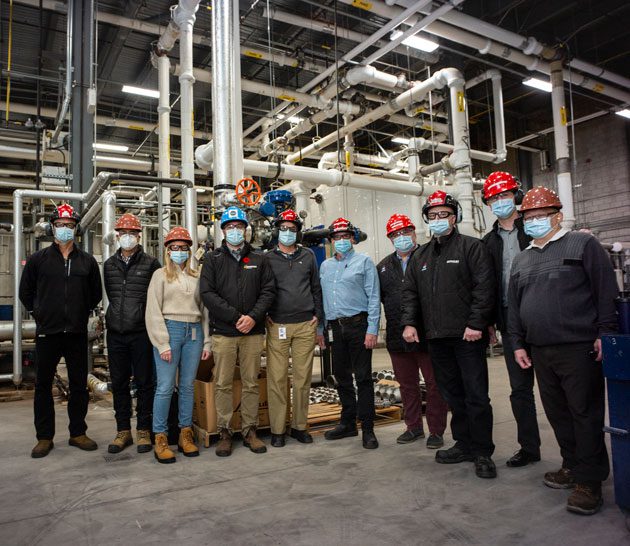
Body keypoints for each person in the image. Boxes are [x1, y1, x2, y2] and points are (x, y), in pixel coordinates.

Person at [508, 186, 618, 515]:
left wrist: (606, 333)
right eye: (528, 217)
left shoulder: (583, 244)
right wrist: (517, 343)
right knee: (558, 414)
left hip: (579, 346)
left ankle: (590, 482)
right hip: (540, 350)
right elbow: (514, 307)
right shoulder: (522, 258)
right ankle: (572, 466)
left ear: (557, 216)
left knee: (584, 413)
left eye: (541, 216)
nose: (534, 221)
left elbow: (605, 290)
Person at [401, 191, 497, 479]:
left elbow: (484, 288)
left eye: (443, 214)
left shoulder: (472, 248)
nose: (438, 219)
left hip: (467, 336)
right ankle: (464, 444)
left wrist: (476, 324)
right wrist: (409, 323)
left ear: (454, 217)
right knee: (452, 394)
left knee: (476, 395)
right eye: (433, 216)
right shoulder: (421, 256)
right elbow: (410, 294)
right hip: (437, 338)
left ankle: (482, 452)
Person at [19, 204, 102, 458]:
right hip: (48, 333)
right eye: (60, 225)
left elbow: (95, 294)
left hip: (76, 333)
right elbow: (26, 293)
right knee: (43, 385)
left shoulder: (86, 261)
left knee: (78, 384)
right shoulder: (38, 260)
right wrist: (41, 314)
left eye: (69, 225)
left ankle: (78, 432)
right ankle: (44, 437)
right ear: (52, 228)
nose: (64, 229)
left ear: (75, 229)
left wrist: (78, 314)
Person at [200, 206, 275, 457]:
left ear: (246, 230)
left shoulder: (258, 259)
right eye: (230, 227)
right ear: (223, 231)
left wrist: (253, 318)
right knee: (222, 383)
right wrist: (235, 318)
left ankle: (250, 430)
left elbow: (268, 291)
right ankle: (224, 432)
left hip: (252, 334)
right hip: (223, 332)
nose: (235, 231)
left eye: (239, 227)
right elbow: (207, 294)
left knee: (251, 383)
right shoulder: (213, 259)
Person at [481, 172, 541, 468]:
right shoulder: (487, 241)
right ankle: (529, 448)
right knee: (520, 390)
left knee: (557, 389)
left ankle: (577, 454)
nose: (500, 202)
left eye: (504, 195)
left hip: (542, 315)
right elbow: (486, 284)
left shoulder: (533, 229)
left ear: (516, 196)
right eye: (494, 198)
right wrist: (490, 322)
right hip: (509, 321)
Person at [377, 214, 448, 449]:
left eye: (405, 232)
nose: (401, 238)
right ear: (390, 238)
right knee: (406, 385)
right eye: (396, 234)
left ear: (414, 232)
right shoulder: (384, 266)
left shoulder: (430, 256)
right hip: (398, 336)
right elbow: (379, 299)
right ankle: (413, 426)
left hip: (428, 333)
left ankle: (436, 430)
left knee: (434, 383)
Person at [145, 226, 211, 464]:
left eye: (183, 248)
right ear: (167, 250)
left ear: (189, 250)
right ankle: (160, 437)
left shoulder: (197, 275)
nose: (179, 252)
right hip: (170, 330)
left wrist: (207, 342)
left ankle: (185, 434)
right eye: (175, 248)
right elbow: (152, 311)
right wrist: (162, 343)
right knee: (164, 387)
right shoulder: (160, 275)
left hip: (194, 332)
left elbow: (204, 311)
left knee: (187, 386)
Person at [264, 210, 324, 447]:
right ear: (277, 230)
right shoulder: (267, 258)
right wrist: (265, 314)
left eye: (292, 229)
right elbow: (262, 290)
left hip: (304, 325)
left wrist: (318, 315)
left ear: (298, 231)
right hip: (277, 324)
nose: (287, 233)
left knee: (302, 379)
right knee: (277, 379)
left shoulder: (308, 256)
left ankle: (299, 426)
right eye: (284, 228)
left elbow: (316, 287)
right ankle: (278, 430)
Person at [320, 217, 381, 449]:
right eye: (337, 237)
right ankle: (347, 423)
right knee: (342, 377)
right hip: (335, 327)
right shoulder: (325, 266)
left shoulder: (364, 262)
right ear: (331, 240)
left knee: (363, 378)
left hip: (359, 325)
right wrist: (322, 329)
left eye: (345, 236)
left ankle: (368, 428)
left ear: (353, 238)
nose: (341, 241)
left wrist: (372, 329)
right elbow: (323, 299)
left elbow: (374, 297)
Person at [104, 213, 161, 454]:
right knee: (118, 383)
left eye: (132, 233)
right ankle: (123, 431)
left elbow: (156, 298)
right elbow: (111, 295)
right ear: (117, 236)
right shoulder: (109, 265)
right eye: (123, 233)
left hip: (141, 333)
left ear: (139, 236)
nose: (127, 237)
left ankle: (144, 431)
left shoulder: (151, 264)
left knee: (145, 383)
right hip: (116, 333)